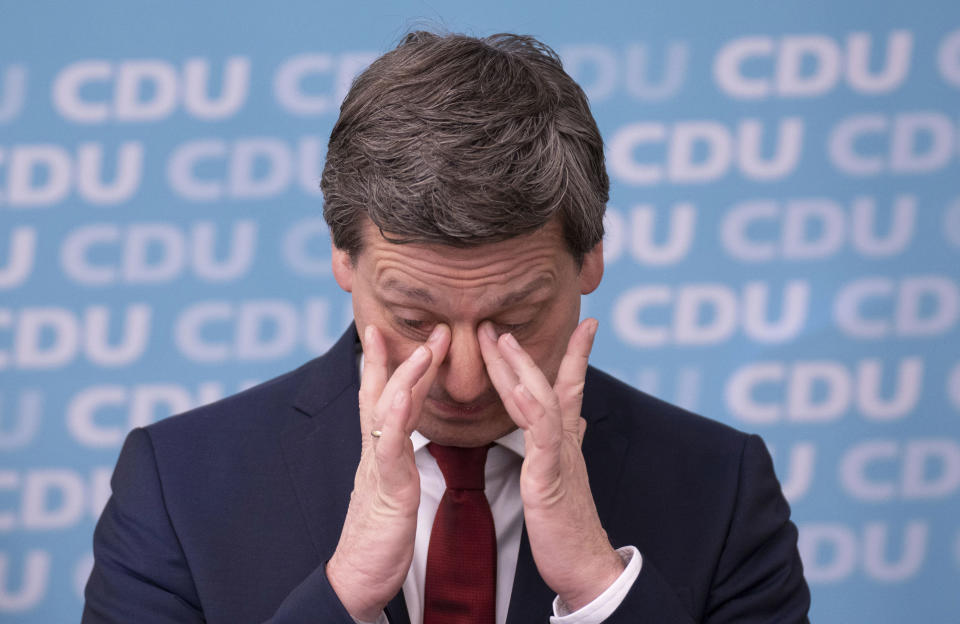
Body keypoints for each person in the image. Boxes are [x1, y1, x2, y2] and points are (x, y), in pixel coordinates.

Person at [82, 32, 810, 623]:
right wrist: (342, 597)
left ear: (591, 259)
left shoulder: (721, 488)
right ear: (343, 257)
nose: (463, 379)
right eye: (414, 319)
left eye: (514, 321)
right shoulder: (179, 485)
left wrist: (599, 587)